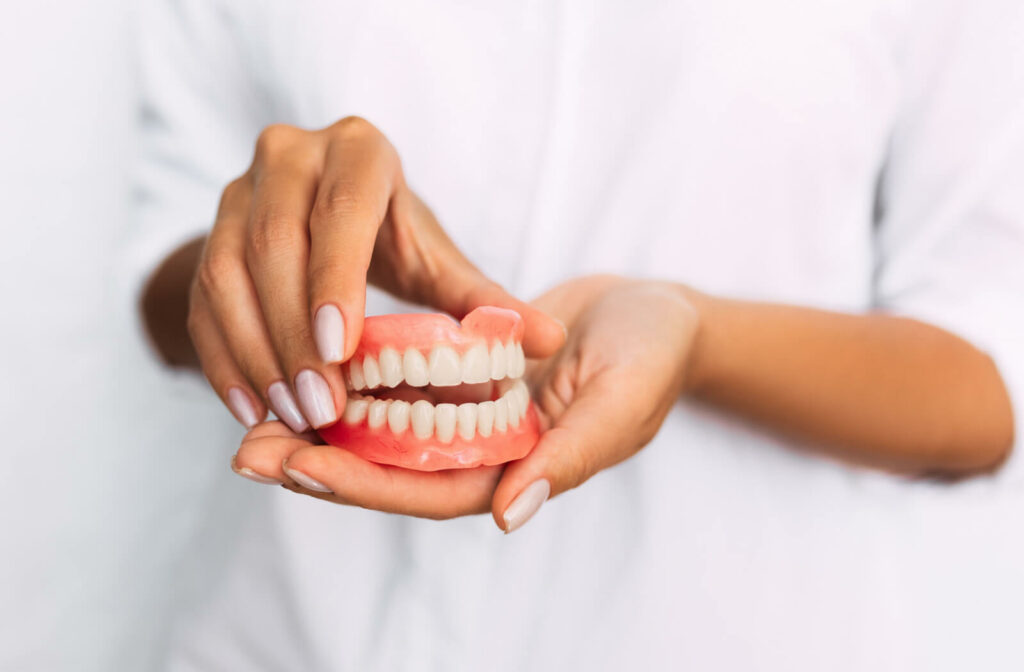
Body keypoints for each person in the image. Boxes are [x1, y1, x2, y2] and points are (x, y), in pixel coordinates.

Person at [137, 0, 1024, 669]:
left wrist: (698, 336)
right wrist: (253, 255)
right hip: (283, 633)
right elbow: (160, 276)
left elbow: (989, 387)